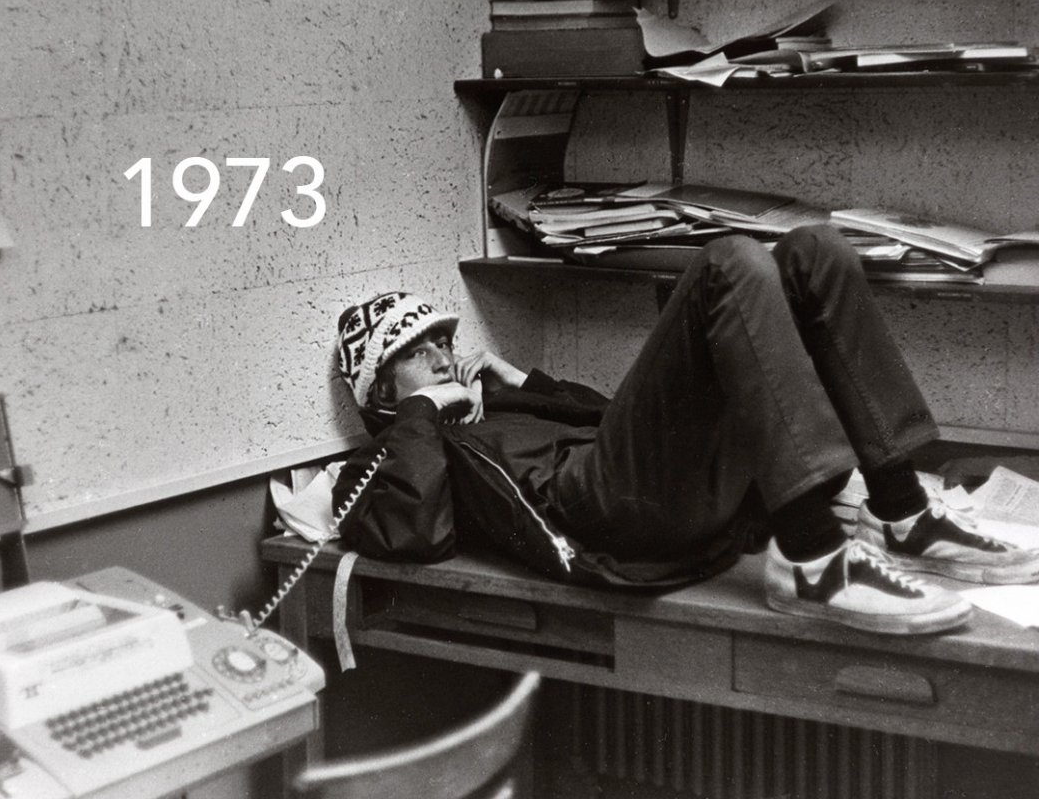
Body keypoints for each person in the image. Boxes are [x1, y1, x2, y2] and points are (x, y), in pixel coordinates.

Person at [332, 225, 1039, 635]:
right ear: (380, 391)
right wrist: (421, 412)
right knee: (729, 263)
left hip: (649, 486)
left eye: (443, 342)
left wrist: (524, 383)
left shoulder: (500, 409)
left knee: (814, 251)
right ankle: (815, 560)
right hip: (598, 513)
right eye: (416, 354)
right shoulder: (391, 458)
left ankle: (903, 512)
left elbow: (615, 418)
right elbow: (414, 531)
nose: (442, 358)